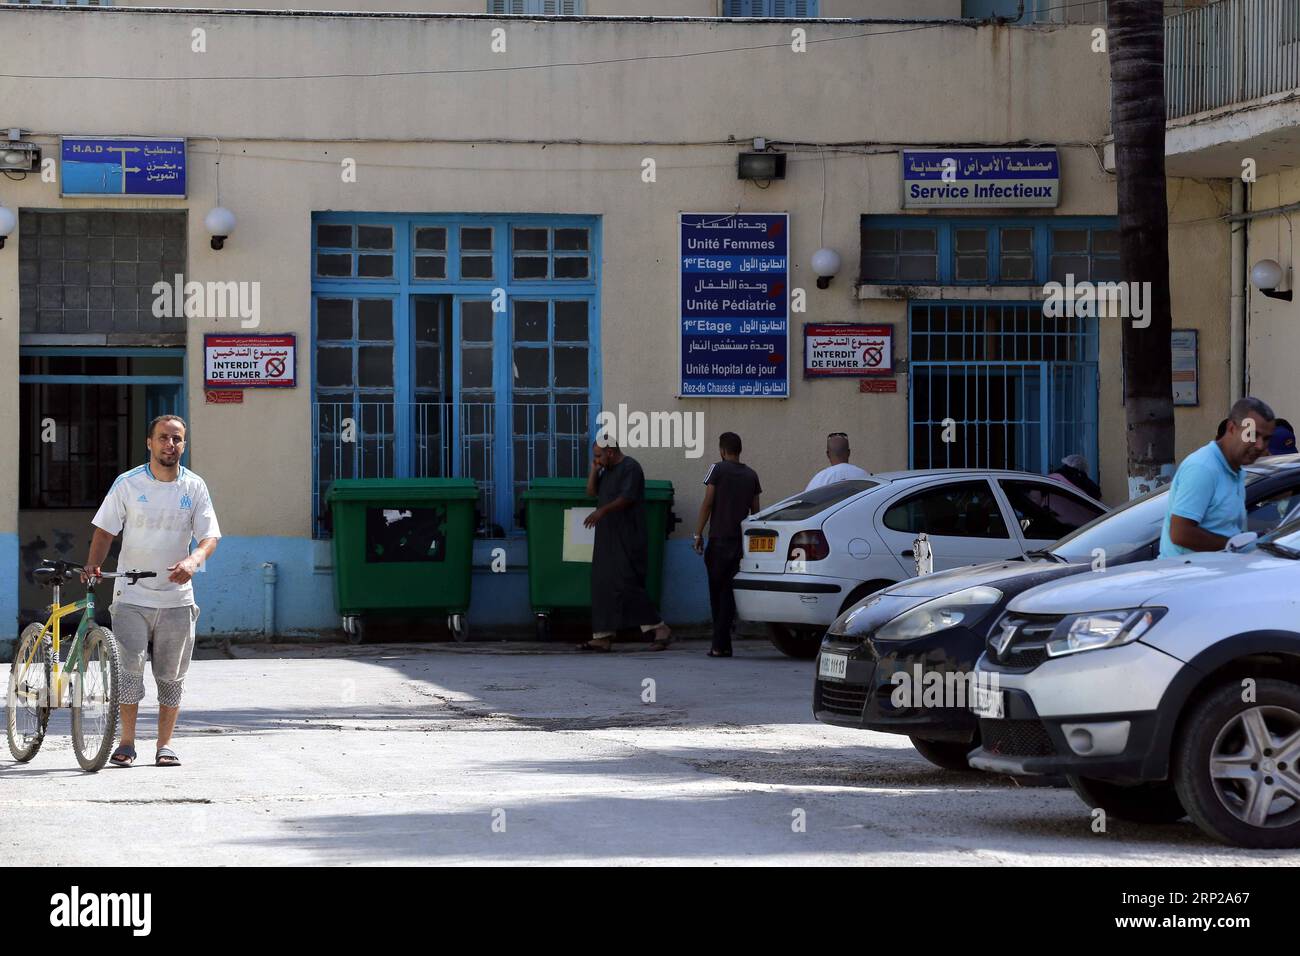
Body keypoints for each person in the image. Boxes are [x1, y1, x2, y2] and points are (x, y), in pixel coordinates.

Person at [83, 415, 221, 768]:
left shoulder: (194, 487)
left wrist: (193, 560)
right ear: (149, 443)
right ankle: (127, 743)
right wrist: (93, 565)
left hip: (177, 600)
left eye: (176, 439)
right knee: (129, 670)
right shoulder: (127, 484)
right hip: (131, 595)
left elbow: (210, 536)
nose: (169, 445)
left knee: (171, 675)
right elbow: (105, 529)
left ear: (183, 445)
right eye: (163, 438)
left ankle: (165, 745)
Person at [579, 440, 671, 652]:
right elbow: (591, 492)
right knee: (601, 581)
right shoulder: (606, 470)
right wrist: (594, 470)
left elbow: (627, 498)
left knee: (625, 582)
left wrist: (601, 511)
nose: (597, 460)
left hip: (628, 535)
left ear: (610, 452)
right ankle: (602, 635)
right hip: (607, 536)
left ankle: (659, 627)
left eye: (599, 456)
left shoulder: (631, 467)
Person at [1159, 396, 1275, 558]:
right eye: (1252, 434)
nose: (1260, 445)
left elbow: (1223, 526)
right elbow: (1180, 534)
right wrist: (1235, 544)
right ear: (1232, 428)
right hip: (1187, 577)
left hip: (1215, 575)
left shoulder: (1236, 470)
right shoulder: (1203, 468)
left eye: (1267, 438)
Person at [693, 432, 762, 658]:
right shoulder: (752, 475)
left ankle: (718, 645)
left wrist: (697, 534)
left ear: (722, 450)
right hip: (740, 542)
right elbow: (756, 512)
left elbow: (708, 503)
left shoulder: (717, 469)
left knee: (716, 592)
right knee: (730, 594)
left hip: (719, 540)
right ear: (739, 450)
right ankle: (724, 644)